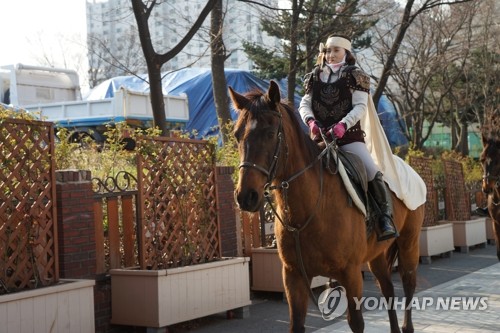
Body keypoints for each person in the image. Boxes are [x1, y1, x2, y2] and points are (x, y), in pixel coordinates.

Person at [298, 35, 398, 241]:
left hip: (348, 138)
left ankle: (384, 218)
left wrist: (344, 125)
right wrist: (310, 121)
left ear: (346, 53)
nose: (330, 55)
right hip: (320, 139)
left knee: (372, 171)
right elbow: (304, 104)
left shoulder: (355, 76)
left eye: (336, 50)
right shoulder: (314, 76)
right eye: (327, 51)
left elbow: (361, 106)